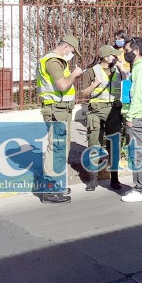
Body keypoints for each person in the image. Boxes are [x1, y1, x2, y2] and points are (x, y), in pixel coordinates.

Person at [36, 35, 84, 203]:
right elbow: (62, 85)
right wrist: (75, 74)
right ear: (66, 47)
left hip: (60, 109)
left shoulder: (53, 60)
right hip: (57, 110)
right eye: (71, 51)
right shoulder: (54, 61)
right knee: (56, 148)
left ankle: (56, 185)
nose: (71, 54)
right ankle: (50, 190)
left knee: (60, 148)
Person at [80, 45, 127, 191]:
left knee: (113, 145)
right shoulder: (92, 71)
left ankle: (114, 178)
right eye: (113, 55)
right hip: (96, 110)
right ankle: (93, 179)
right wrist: (94, 84)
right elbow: (83, 93)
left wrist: (122, 70)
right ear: (106, 57)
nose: (116, 57)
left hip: (114, 110)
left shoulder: (118, 70)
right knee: (94, 144)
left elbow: (126, 86)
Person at [121, 37, 142, 202]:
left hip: (136, 114)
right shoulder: (140, 67)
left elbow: (137, 94)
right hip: (139, 113)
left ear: (136, 51)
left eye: (127, 51)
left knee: (136, 152)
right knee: (138, 151)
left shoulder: (141, 69)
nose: (125, 53)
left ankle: (141, 189)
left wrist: (130, 116)